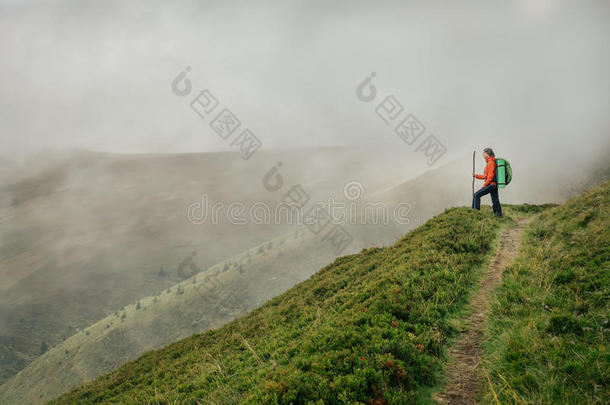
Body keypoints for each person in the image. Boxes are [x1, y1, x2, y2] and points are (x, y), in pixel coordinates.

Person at [472, 147, 503, 217]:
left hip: (491, 184)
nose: (483, 154)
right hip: (494, 185)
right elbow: (485, 176)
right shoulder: (491, 162)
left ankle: (475, 214)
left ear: (488, 154)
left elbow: (490, 176)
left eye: (484, 153)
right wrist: (476, 176)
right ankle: (498, 215)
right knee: (495, 200)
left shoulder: (491, 162)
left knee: (476, 195)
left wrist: (485, 185)